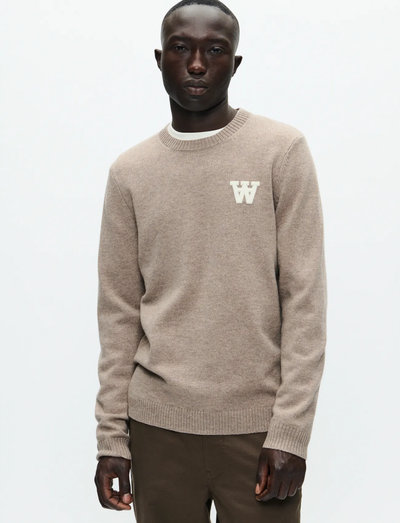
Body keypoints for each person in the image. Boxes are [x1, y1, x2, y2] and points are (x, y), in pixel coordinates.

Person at [93, 0, 327, 521]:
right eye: (181, 48)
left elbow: (305, 301)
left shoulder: (280, 151)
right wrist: (112, 438)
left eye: (215, 50)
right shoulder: (130, 173)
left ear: (235, 63)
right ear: (160, 59)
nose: (197, 64)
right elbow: (118, 313)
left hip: (258, 431)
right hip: (156, 432)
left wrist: (290, 432)